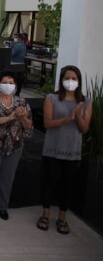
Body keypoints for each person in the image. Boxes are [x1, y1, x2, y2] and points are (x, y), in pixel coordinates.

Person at [37, 65, 92, 234]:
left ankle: (62, 218)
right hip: (53, 149)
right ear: (61, 80)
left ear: (79, 81)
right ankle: (45, 215)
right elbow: (47, 123)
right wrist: (68, 118)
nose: (70, 81)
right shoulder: (52, 98)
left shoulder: (85, 102)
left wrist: (78, 115)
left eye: (74, 78)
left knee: (67, 186)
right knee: (49, 182)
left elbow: (84, 129)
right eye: (67, 78)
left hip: (72, 150)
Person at [0, 70, 33, 221]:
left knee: (7, 179)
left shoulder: (22, 103)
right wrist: (10, 117)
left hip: (14, 147)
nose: (7, 85)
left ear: (15, 85)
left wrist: (22, 117)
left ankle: (2, 207)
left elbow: (28, 126)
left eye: (11, 83)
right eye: (4, 82)